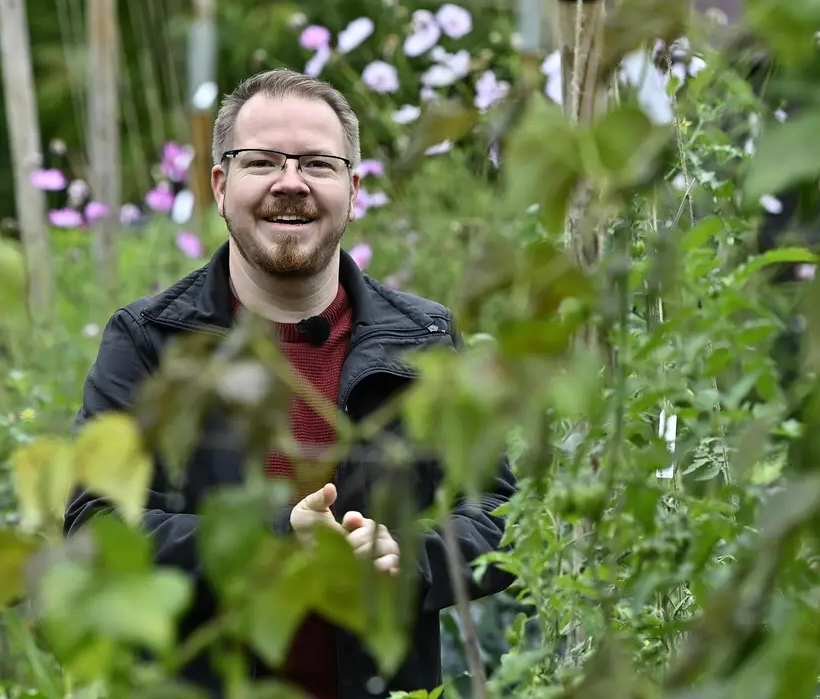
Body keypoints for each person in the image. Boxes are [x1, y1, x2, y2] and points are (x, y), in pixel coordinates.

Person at [63, 68, 517, 698]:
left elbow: (501, 514)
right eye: (262, 161)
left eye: (317, 164)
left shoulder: (424, 343)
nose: (290, 183)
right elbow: (95, 527)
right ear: (220, 186)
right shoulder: (151, 344)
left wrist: (409, 556)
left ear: (353, 190)